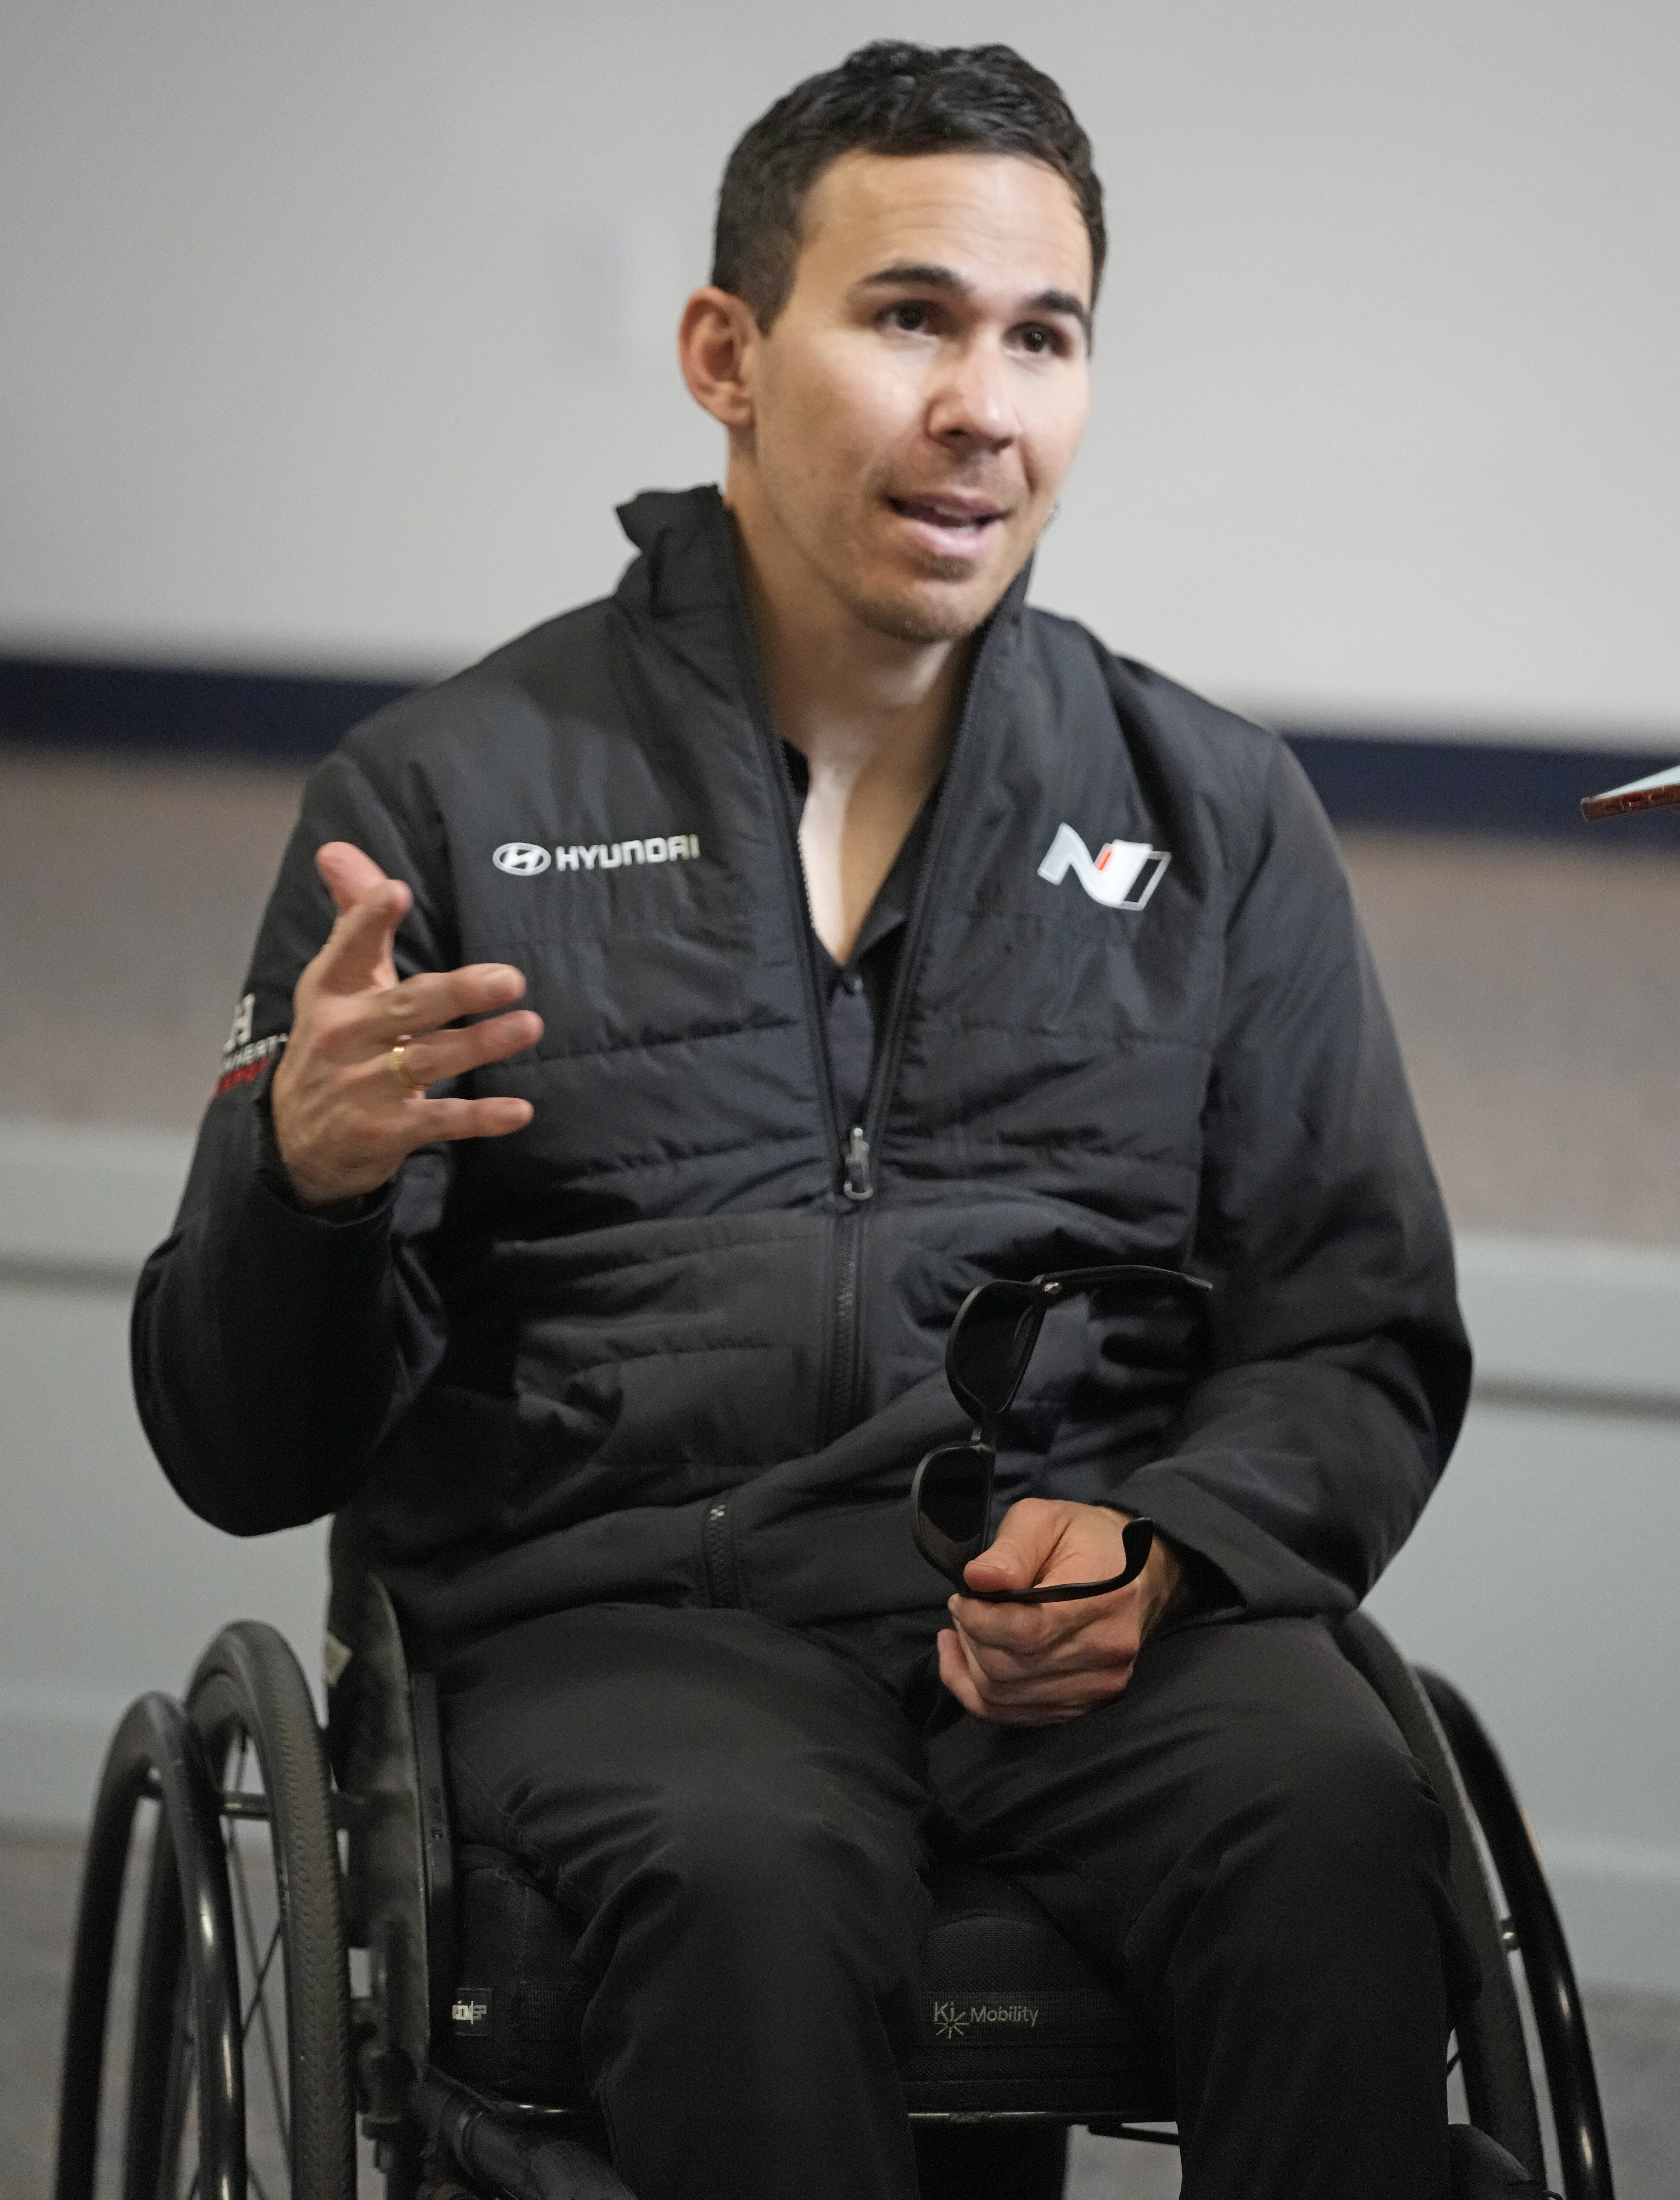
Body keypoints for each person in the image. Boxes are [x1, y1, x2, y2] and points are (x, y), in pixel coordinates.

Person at [134, 41, 1478, 2200]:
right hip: (627, 1627)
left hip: (1084, 1614)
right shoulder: (443, 800)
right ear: (726, 356)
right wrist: (300, 1181)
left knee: (1335, 1828)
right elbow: (242, 1447)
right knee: (751, 1877)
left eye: (1046, 337)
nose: (988, 405)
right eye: (912, 316)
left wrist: (1172, 1540)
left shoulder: (1208, 813)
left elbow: (1358, 1334)